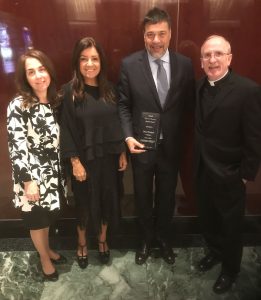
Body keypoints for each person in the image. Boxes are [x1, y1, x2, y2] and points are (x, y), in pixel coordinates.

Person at [118, 7, 195, 265]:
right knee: (141, 196)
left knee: (166, 196)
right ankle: (145, 240)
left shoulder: (185, 65)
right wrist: (128, 137)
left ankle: (164, 239)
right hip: (141, 146)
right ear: (144, 36)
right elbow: (123, 105)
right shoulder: (130, 65)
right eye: (151, 34)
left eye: (161, 33)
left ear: (170, 34)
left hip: (172, 148)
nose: (156, 40)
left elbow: (189, 107)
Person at [195, 35, 261, 294]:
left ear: (229, 58)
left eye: (218, 54)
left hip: (230, 173)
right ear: (201, 62)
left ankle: (231, 269)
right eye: (207, 55)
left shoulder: (248, 90)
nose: (213, 60)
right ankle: (215, 252)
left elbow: (255, 137)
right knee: (208, 219)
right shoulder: (198, 86)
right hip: (203, 170)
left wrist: (245, 175)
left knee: (231, 226)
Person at [60, 37, 127, 269]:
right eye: (84, 59)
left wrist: (121, 152)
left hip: (108, 158)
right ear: (77, 62)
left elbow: (117, 123)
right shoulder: (69, 92)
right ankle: (81, 244)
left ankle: (102, 240)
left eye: (95, 58)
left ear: (102, 62)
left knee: (108, 200)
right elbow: (65, 129)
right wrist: (75, 162)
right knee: (84, 205)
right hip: (83, 162)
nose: (90, 64)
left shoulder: (110, 90)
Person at [7, 49, 67, 281]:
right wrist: (28, 182)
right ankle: (43, 258)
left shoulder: (55, 101)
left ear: (49, 71)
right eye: (31, 72)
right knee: (36, 220)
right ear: (25, 78)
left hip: (53, 173)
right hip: (31, 175)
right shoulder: (19, 105)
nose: (38, 76)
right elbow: (17, 145)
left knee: (47, 218)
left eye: (41, 69)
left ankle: (47, 249)